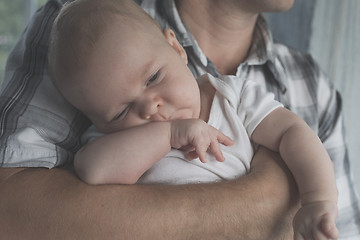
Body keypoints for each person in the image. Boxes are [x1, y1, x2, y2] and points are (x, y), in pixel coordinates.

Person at [0, 0, 359, 239]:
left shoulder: (232, 95)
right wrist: (168, 135)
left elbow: (294, 134)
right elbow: (93, 170)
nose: (150, 107)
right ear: (98, 118)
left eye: (154, 78)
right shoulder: (92, 42)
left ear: (175, 49)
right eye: (122, 111)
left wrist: (317, 200)